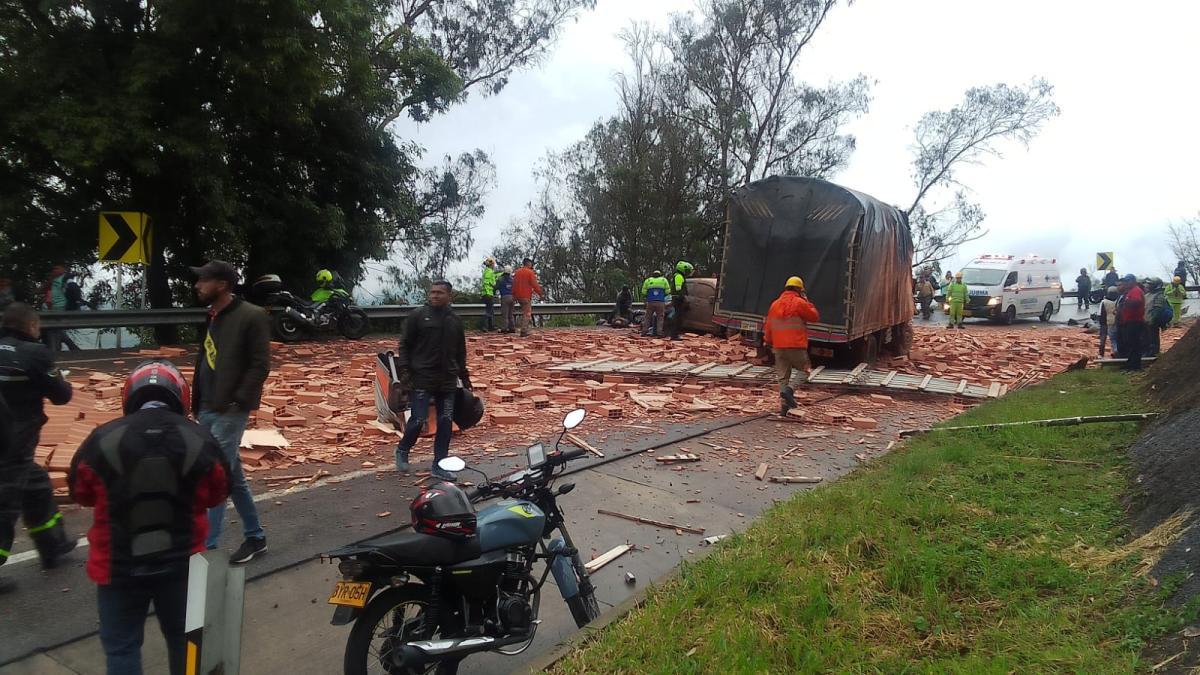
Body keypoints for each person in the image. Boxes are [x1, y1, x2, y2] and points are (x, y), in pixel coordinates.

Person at [69, 361, 229, 675]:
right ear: (180, 397)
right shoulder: (199, 437)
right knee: (185, 645)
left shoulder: (102, 438)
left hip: (118, 569)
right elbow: (219, 491)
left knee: (122, 648)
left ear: (130, 395)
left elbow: (80, 491)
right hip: (181, 566)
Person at [190, 260, 271, 564]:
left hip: (229, 409)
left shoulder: (252, 316)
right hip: (207, 406)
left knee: (214, 474)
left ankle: (205, 549)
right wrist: (196, 401)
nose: (197, 286)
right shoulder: (212, 315)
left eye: (203, 280)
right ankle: (255, 537)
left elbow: (261, 364)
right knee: (232, 477)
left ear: (222, 284)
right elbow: (205, 359)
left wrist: (239, 400)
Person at [0, 303, 76, 586]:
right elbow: (61, 396)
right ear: (31, 326)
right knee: (4, 507)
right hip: (14, 444)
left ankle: (52, 546)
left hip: (13, 446)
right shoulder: (34, 354)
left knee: (38, 487)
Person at [394, 281, 471, 480]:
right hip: (422, 377)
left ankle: (440, 465)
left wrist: (465, 377)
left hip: (447, 380)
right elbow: (404, 345)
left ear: (449, 296)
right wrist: (404, 372)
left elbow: (460, 351)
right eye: (432, 292)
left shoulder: (455, 320)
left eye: (440, 293)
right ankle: (403, 450)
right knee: (419, 419)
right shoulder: (418, 316)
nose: (435, 296)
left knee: (445, 421)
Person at [763, 276, 820, 415]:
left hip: (778, 347)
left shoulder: (775, 304)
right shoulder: (800, 303)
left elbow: (769, 326)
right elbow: (814, 317)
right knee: (805, 370)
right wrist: (807, 301)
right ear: (799, 289)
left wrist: (768, 341)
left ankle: (784, 409)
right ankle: (790, 390)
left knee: (783, 377)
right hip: (796, 346)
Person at [40, 265, 81, 352]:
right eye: (54, 269)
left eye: (57, 268)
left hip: (55, 311)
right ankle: (72, 348)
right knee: (56, 330)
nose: (54, 270)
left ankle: (58, 350)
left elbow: (49, 300)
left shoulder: (64, 282)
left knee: (54, 331)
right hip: (53, 311)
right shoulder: (54, 283)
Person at [1116, 274, 1145, 371]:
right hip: (1129, 321)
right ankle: (1130, 364)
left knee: (1134, 345)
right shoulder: (1130, 291)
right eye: (1125, 282)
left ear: (1133, 281)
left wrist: (1126, 304)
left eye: (1127, 281)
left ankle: (1135, 366)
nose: (1126, 284)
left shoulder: (1135, 291)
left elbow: (1137, 302)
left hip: (1134, 321)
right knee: (1130, 344)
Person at [512, 258, 543, 338]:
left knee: (524, 312)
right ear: (528, 263)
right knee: (527, 313)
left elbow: (514, 284)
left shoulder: (517, 272)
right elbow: (534, 284)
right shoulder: (530, 272)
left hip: (518, 296)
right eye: (531, 263)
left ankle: (525, 328)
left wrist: (514, 295)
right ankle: (524, 331)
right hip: (526, 296)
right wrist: (540, 294)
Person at [666, 261, 694, 341]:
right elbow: (678, 288)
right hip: (678, 299)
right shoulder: (679, 276)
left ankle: (674, 334)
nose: (688, 272)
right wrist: (683, 296)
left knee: (678, 316)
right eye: (687, 270)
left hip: (677, 298)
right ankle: (674, 335)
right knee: (678, 317)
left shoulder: (677, 276)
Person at [1143, 277, 1169, 357]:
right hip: (1145, 320)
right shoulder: (1148, 294)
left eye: (1151, 284)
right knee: (1146, 338)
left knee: (1153, 338)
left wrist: (1152, 320)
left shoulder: (1159, 296)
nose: (1148, 286)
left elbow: (1157, 309)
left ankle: (1154, 353)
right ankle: (1148, 352)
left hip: (1152, 321)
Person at [641, 271, 669, 337]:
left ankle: (644, 332)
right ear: (660, 275)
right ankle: (659, 333)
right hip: (660, 302)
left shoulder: (648, 280)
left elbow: (643, 292)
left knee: (647, 317)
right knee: (660, 317)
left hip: (650, 302)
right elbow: (668, 291)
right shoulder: (663, 280)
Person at [1099, 286, 1119, 358]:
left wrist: (1100, 322)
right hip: (1116, 322)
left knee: (1103, 338)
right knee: (1115, 338)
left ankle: (1101, 354)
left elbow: (1100, 313)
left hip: (1105, 322)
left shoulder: (1104, 302)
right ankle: (1116, 350)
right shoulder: (1118, 300)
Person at [480, 257, 499, 332]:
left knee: (490, 310)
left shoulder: (486, 271)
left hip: (486, 293)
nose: (494, 266)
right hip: (488, 293)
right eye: (494, 264)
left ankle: (491, 326)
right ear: (491, 264)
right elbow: (489, 282)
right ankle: (485, 326)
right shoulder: (490, 271)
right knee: (489, 311)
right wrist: (494, 283)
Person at [497, 268, 515, 334]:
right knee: (511, 314)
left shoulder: (501, 279)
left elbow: (496, 287)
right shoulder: (512, 279)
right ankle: (512, 328)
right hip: (512, 297)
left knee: (505, 314)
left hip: (504, 297)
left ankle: (504, 328)